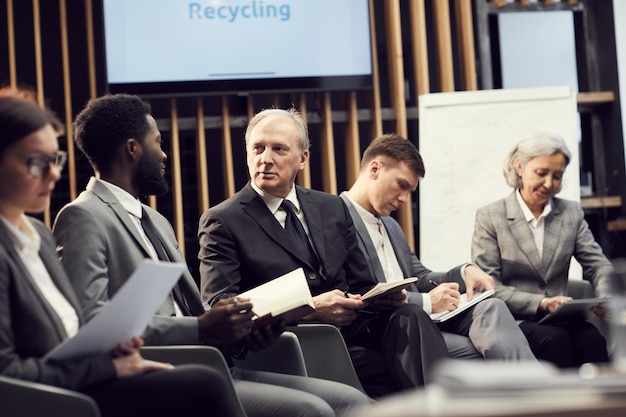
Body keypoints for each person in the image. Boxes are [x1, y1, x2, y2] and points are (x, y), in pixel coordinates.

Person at [52, 93, 371, 417]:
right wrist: (202, 328)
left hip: (215, 361)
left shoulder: (157, 221)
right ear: (133, 148)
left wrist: (249, 327)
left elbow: (190, 309)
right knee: (312, 411)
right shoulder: (83, 216)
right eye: (158, 142)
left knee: (352, 402)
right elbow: (92, 323)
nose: (164, 155)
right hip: (161, 371)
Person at [0, 93, 238, 417]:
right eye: (35, 162)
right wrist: (106, 367)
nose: (53, 175)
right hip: (67, 396)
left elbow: (78, 327)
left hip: (98, 373)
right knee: (206, 384)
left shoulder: (37, 234)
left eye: (54, 160)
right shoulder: (79, 217)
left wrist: (113, 347)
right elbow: (8, 373)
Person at [198, 107, 450, 398]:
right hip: (293, 340)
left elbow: (360, 284)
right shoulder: (223, 220)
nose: (265, 159)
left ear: (303, 158)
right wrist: (308, 309)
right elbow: (221, 306)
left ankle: (443, 405)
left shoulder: (332, 207)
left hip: (354, 332)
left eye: (278, 149)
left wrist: (380, 297)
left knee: (410, 315)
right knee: (392, 374)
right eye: (258, 148)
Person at [341, 133, 537, 362]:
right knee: (481, 350)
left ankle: (537, 387)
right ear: (374, 169)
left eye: (409, 191)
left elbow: (419, 276)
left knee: (492, 307)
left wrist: (464, 271)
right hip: (393, 326)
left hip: (426, 317)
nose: (404, 199)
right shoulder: (337, 218)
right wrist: (426, 302)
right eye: (401, 185)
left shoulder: (391, 225)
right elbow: (361, 291)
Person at [471, 132, 611, 368]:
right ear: (519, 167)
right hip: (515, 319)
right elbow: (488, 287)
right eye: (541, 173)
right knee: (555, 342)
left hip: (563, 319)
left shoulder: (570, 213)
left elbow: (598, 265)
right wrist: (542, 303)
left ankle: (602, 405)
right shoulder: (490, 217)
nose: (549, 184)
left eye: (557, 176)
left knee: (592, 340)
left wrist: (607, 295)